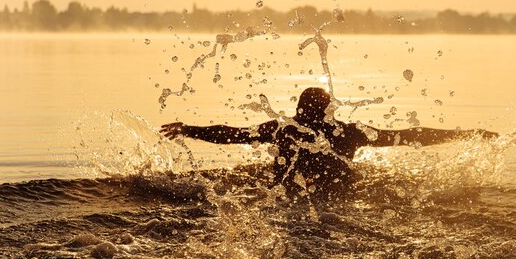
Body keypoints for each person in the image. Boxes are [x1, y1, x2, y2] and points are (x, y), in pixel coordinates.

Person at [160, 87, 497, 197]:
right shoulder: (348, 132)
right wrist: (468, 134)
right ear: (329, 109)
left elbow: (231, 134)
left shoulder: (283, 129)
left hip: (287, 195)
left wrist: (188, 128)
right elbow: (410, 137)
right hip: (339, 196)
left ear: (298, 109)